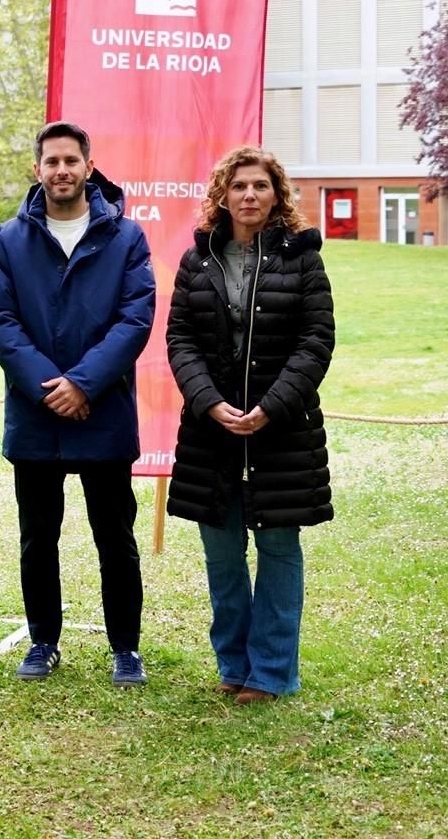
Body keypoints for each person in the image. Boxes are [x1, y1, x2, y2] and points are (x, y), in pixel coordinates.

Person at [0, 121, 156, 687]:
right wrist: (50, 387)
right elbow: (0, 320)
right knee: (38, 539)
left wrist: (82, 384)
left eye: (70, 161)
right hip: (36, 416)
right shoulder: (11, 239)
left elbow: (135, 319)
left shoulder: (126, 236)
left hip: (104, 412)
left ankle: (126, 649)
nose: (61, 170)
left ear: (88, 166)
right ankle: (43, 642)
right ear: (37, 170)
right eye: (51, 162)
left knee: (116, 539)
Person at [165, 146, 334, 705]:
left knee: (278, 548)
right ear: (223, 195)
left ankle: (271, 672)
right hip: (210, 433)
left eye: (260, 185)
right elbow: (180, 339)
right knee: (222, 554)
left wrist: (272, 406)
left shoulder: (303, 259)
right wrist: (209, 402)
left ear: (277, 194)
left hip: (282, 432)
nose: (249, 195)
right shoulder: (198, 260)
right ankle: (233, 666)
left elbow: (316, 342)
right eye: (238, 186)